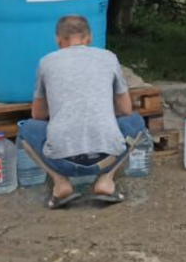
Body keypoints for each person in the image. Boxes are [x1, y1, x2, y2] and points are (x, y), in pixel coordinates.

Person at [19, 15, 146, 209]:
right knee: (136, 122)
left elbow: (37, 115)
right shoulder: (109, 57)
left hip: (61, 161)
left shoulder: (46, 62)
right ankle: (106, 180)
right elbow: (126, 109)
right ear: (89, 38)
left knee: (26, 129)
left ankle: (61, 184)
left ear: (58, 39)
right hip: (106, 159)